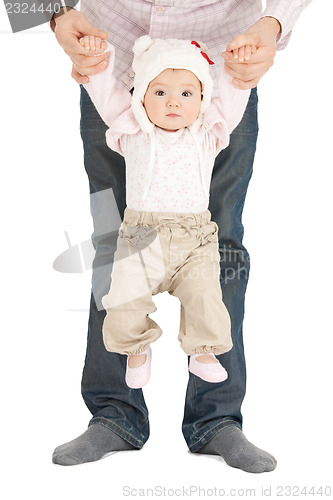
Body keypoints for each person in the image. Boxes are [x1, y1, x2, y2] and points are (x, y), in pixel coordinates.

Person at [52, 1, 311, 473]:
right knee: (114, 244)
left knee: (224, 245)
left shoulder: (213, 116)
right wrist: (53, 11)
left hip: (220, 67)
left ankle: (217, 419)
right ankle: (113, 414)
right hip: (111, 57)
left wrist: (275, 23)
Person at [81, 35, 253, 388]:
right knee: (123, 298)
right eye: (160, 93)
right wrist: (96, 62)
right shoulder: (132, 129)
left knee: (207, 297)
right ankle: (136, 351)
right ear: (141, 96)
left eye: (186, 94)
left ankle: (203, 353)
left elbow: (234, 97)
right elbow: (105, 95)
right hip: (141, 237)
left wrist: (239, 69)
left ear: (203, 99)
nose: (173, 102)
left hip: (195, 240)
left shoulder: (208, 132)